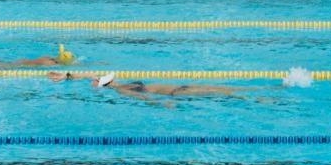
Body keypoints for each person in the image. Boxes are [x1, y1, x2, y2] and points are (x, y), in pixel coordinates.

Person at [46, 71, 271, 105]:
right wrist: (67, 76)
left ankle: (261, 99)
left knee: (227, 93)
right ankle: (272, 90)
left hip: (178, 93)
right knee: (226, 89)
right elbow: (92, 75)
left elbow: (145, 101)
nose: (93, 81)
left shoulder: (120, 89)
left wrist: (162, 104)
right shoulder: (123, 83)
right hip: (181, 87)